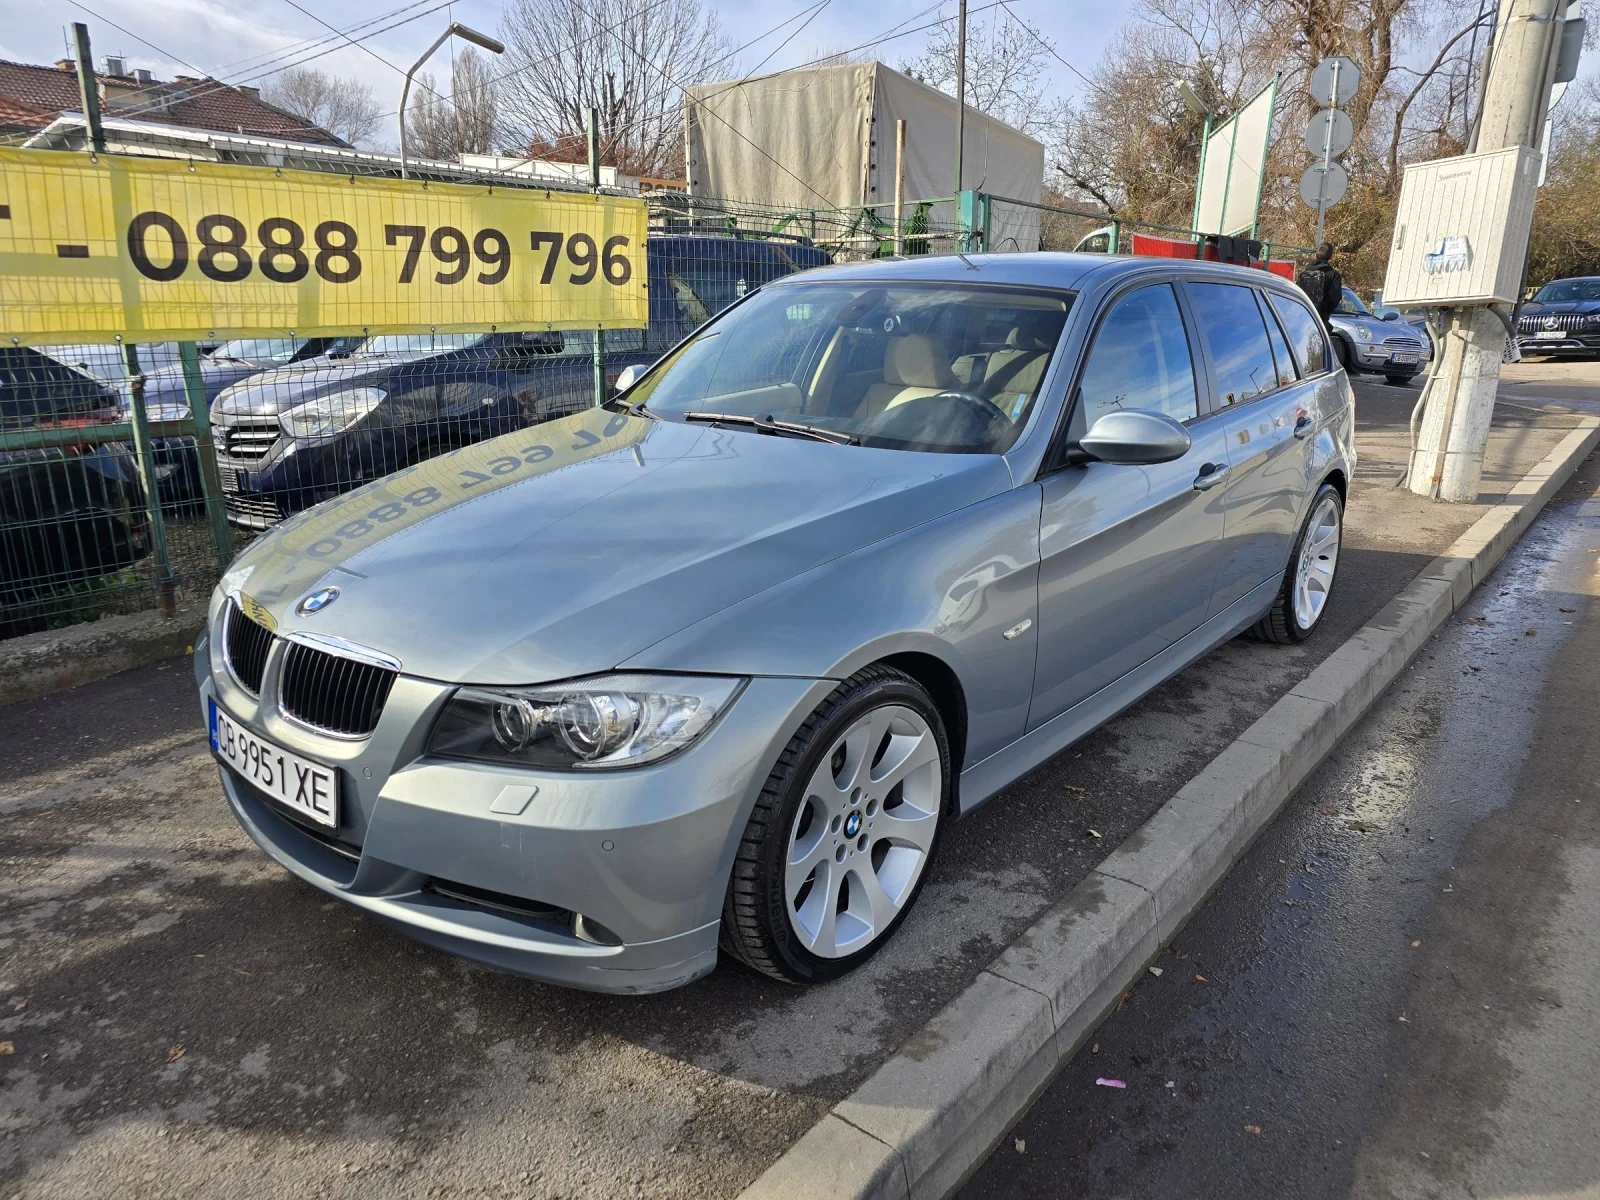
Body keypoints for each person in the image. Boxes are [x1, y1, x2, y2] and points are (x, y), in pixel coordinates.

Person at [1297, 243, 1343, 324]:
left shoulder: (1305, 272)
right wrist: (1325, 311)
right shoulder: (1333, 275)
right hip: (1320, 319)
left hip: (1302, 317)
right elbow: (1335, 298)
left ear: (1316, 254)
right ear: (1331, 256)